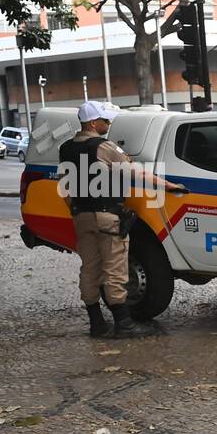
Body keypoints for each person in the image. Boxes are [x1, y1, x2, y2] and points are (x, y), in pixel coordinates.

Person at [59, 101, 184, 338]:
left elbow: (64, 185)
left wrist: (77, 211)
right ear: (94, 123)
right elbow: (136, 172)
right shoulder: (104, 147)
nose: (108, 124)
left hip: (81, 217)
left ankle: (96, 323)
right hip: (107, 217)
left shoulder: (66, 148)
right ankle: (124, 325)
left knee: (89, 269)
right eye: (106, 121)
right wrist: (169, 185)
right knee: (115, 270)